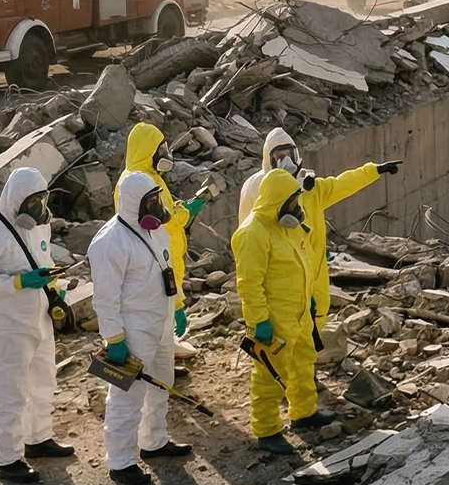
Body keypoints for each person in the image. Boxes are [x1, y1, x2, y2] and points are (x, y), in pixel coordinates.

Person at [236, 129, 398, 353]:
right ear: (268, 160)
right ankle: (276, 375)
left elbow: (342, 183)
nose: (285, 162)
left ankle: (304, 373)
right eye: (278, 156)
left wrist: (374, 171)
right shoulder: (257, 190)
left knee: (313, 322)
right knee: (280, 336)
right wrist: (257, 316)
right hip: (280, 278)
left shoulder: (310, 189)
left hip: (313, 275)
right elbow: (247, 237)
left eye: (288, 155)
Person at [0, 167, 74, 484]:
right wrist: (19, 282)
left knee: (42, 382)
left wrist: (55, 284)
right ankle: (8, 459)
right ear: (16, 200)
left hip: (38, 319)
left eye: (42, 200)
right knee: (10, 392)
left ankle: (38, 438)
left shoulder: (39, 229)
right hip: (6, 325)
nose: (38, 208)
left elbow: (44, 261)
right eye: (32, 201)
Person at [89, 170, 193, 485]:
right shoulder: (110, 242)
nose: (156, 208)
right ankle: (120, 461)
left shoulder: (154, 231)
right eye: (150, 202)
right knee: (127, 396)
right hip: (132, 330)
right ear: (134, 203)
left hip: (159, 323)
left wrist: (175, 307)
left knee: (162, 383)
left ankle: (154, 441)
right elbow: (105, 298)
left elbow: (167, 268)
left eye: (156, 200)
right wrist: (114, 338)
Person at [233, 169, 322, 454]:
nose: (297, 209)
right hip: (273, 319)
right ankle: (267, 429)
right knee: (270, 375)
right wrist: (258, 321)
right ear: (277, 202)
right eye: (293, 203)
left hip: (299, 314)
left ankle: (304, 413)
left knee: (303, 364)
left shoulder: (288, 227)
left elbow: (303, 263)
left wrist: (308, 299)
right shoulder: (252, 233)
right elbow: (249, 284)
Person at [123, 124, 212, 347]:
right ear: (147, 150)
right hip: (158, 262)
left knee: (163, 320)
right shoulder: (138, 182)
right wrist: (186, 212)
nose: (165, 154)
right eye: (160, 149)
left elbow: (164, 210)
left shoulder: (149, 176)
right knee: (157, 317)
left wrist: (182, 206)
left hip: (165, 258)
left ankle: (167, 352)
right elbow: (162, 223)